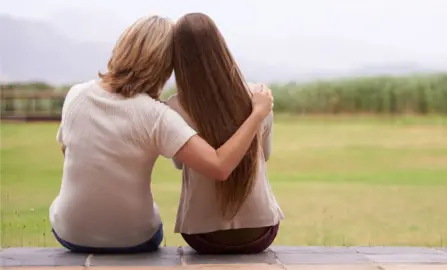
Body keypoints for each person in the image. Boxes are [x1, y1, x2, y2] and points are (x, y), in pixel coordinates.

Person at [49, 14, 274, 254]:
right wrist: (257, 114)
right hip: (135, 237)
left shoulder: (76, 95)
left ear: (122, 46)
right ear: (166, 65)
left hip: (69, 232)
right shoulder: (157, 115)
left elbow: (68, 149)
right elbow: (219, 166)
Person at [167, 12, 284, 254]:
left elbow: (180, 164)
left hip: (201, 236)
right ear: (221, 46)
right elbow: (265, 154)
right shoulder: (259, 97)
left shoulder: (175, 107)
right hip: (260, 232)